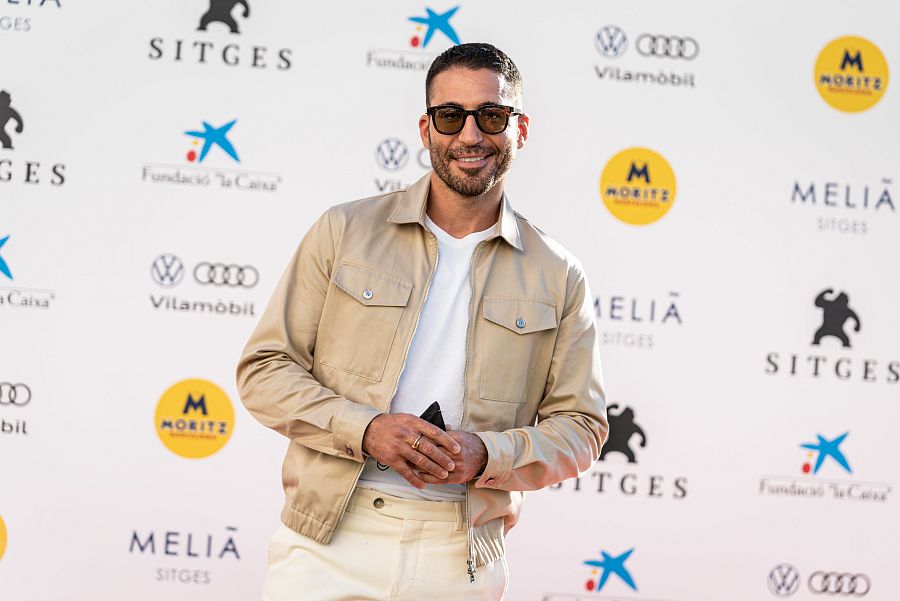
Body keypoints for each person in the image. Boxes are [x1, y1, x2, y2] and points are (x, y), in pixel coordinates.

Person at [236, 42, 607, 601]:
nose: (470, 135)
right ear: (426, 127)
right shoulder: (344, 231)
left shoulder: (558, 274)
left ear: (520, 129)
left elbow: (581, 428)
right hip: (327, 540)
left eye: (491, 115)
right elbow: (264, 371)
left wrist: (488, 455)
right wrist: (364, 429)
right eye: (450, 116)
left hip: (458, 553)